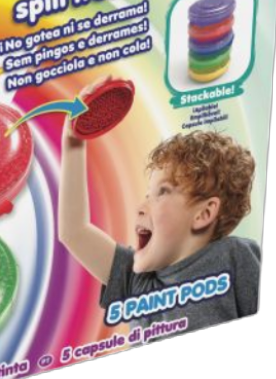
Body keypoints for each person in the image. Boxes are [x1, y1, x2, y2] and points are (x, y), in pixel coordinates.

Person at [59, 75, 260, 341]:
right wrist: (73, 141)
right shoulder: (138, 281)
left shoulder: (234, 257)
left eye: (162, 192)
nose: (140, 208)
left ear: (204, 214)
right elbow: (74, 231)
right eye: (147, 195)